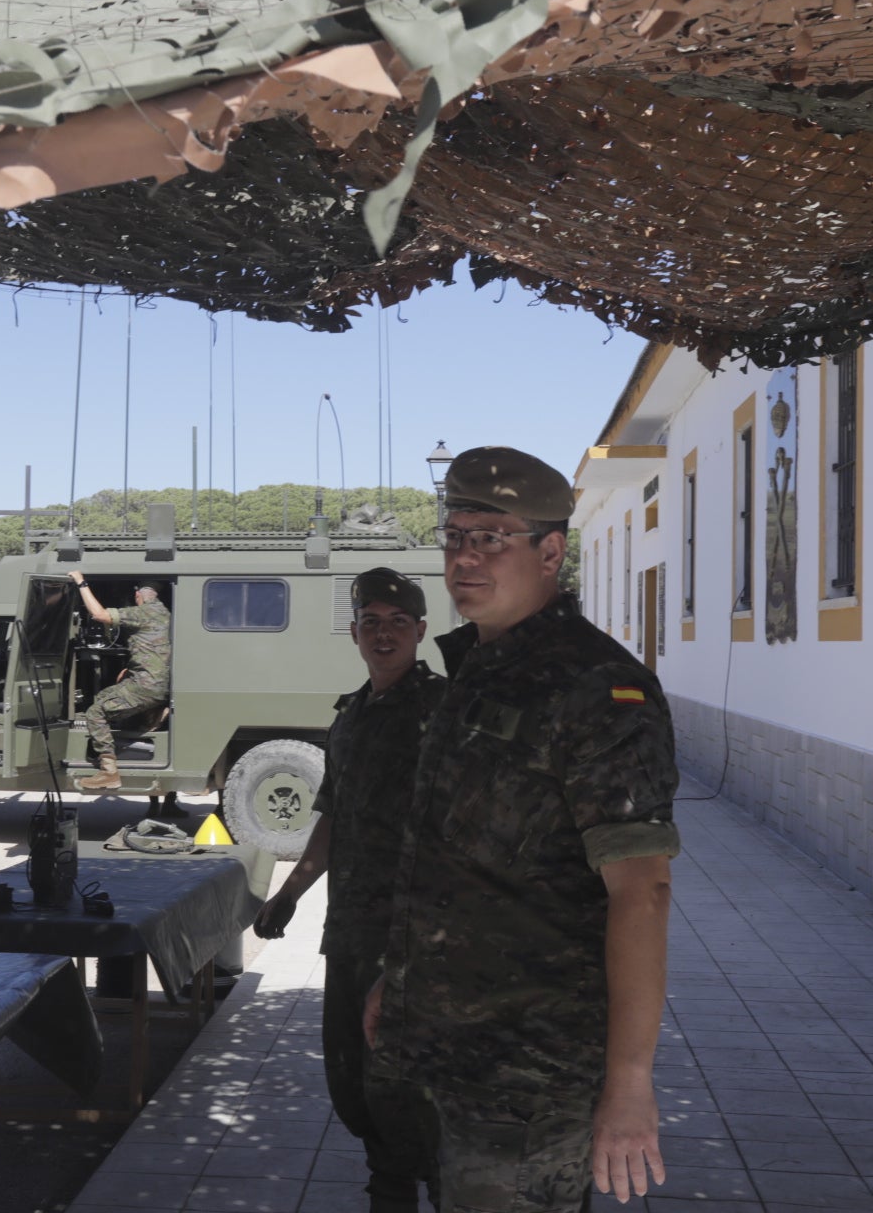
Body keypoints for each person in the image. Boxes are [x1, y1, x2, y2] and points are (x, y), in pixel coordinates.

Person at [366, 447, 680, 1213]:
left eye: (491, 537)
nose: (464, 558)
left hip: (527, 1077)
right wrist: (395, 979)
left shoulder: (598, 690)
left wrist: (631, 1084)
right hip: (445, 1053)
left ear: (550, 551)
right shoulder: (477, 670)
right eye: (454, 535)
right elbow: (454, 866)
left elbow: (642, 894)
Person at [256, 568, 446, 1213]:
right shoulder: (353, 714)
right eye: (371, 622)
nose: (384, 634)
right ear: (354, 634)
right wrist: (292, 892)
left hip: (421, 938)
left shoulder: (443, 712)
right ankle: (389, 1195)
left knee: (416, 1086)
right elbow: (334, 815)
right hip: (353, 933)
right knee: (356, 1078)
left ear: (421, 631)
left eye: (398, 622)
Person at [67, 574, 173, 810]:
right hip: (159, 683)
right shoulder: (166, 614)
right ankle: (151, 719)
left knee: (95, 711)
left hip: (146, 685)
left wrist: (81, 583)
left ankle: (109, 771)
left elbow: (100, 615)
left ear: (138, 596)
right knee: (113, 702)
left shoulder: (143, 613)